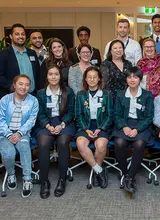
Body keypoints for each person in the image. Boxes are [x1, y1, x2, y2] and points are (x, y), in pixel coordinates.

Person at [35, 65, 75, 199]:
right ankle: (44, 181)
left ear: (60, 76)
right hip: (46, 123)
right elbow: (39, 114)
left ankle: (62, 179)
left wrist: (62, 124)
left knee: (63, 143)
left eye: (56, 74)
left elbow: (71, 112)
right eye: (50, 74)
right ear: (46, 76)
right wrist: (47, 125)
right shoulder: (41, 93)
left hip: (65, 122)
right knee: (43, 145)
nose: (53, 77)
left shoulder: (68, 92)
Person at [113, 66, 154, 194]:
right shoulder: (120, 94)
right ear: (126, 79)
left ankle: (130, 178)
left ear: (140, 79)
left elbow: (149, 117)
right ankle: (126, 173)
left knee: (140, 144)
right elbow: (116, 114)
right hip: (124, 123)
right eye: (129, 77)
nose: (132, 80)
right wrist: (124, 127)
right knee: (119, 143)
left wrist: (137, 129)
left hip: (141, 124)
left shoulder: (147, 95)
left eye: (135, 77)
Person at [0, 74, 39, 198]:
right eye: (21, 84)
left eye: (27, 85)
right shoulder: (5, 100)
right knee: (8, 154)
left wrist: (19, 133)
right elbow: (0, 120)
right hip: (5, 133)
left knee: (24, 148)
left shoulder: (33, 100)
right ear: (14, 85)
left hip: (22, 133)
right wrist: (9, 134)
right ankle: (11, 174)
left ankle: (27, 179)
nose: (24, 87)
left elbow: (31, 121)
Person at [75, 66, 113, 189]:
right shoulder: (80, 95)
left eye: (94, 77)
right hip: (85, 126)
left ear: (99, 79)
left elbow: (109, 115)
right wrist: (86, 129)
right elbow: (78, 115)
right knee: (80, 143)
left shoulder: (107, 94)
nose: (92, 79)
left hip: (101, 126)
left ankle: (97, 170)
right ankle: (99, 171)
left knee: (101, 145)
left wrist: (100, 128)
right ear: (85, 79)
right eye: (89, 77)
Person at [0, 23, 40, 98]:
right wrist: (13, 87)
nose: (20, 36)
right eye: (17, 34)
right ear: (11, 36)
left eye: (23, 34)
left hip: (33, 96)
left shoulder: (32, 53)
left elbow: (38, 74)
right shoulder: (3, 54)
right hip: (12, 97)